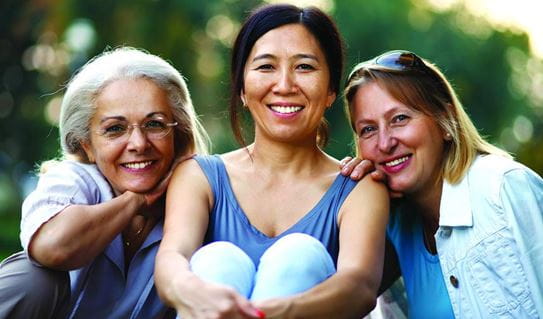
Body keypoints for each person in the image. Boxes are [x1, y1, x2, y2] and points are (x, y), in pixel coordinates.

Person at [155, 4, 389, 319]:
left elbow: (359, 286)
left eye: (304, 67)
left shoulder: (359, 188)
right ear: (241, 88)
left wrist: (278, 311)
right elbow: (173, 258)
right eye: (266, 67)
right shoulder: (199, 175)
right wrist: (195, 292)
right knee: (217, 260)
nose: (284, 85)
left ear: (331, 90)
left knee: (300, 255)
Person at [0, 46, 210, 319]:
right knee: (32, 279)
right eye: (115, 129)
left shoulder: (201, 191)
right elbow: (53, 247)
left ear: (177, 135)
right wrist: (134, 201)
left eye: (155, 124)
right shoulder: (73, 179)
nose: (138, 144)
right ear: (86, 145)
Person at [343, 49, 543, 318]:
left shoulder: (503, 188)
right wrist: (349, 194)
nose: (385, 143)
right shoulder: (389, 226)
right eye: (368, 129)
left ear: (445, 121)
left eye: (399, 119)